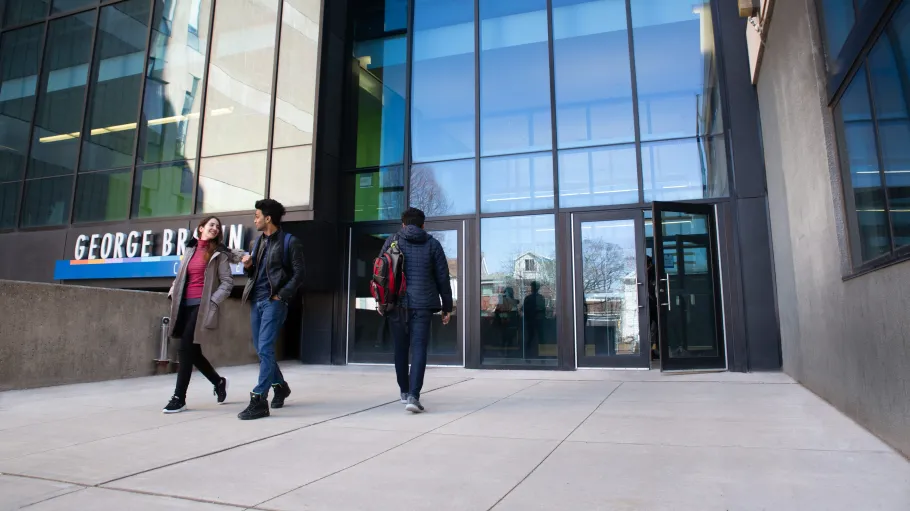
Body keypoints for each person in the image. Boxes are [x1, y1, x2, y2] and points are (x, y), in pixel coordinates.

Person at [238, 199, 305, 420]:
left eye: (257, 216)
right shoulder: (257, 242)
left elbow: (299, 274)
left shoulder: (290, 242)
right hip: (256, 300)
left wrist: (281, 295)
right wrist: (248, 267)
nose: (254, 220)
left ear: (268, 218)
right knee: (262, 350)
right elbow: (255, 274)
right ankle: (280, 386)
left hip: (273, 301)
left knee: (265, 347)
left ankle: (259, 399)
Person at [381, 207, 453, 413]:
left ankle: (404, 392)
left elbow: (380, 272)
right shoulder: (433, 244)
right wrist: (447, 307)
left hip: (396, 304)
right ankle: (414, 396)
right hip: (423, 304)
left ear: (403, 224)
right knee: (419, 348)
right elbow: (443, 277)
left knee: (400, 349)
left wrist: (381, 301)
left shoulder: (392, 241)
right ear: (423, 224)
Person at [163, 216, 237, 414]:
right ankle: (218, 382)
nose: (215, 228)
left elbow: (227, 282)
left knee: (184, 348)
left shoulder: (219, 254)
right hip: (183, 305)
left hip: (201, 306)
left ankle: (179, 398)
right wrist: (172, 292)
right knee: (193, 352)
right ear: (201, 228)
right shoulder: (190, 250)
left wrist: (212, 301)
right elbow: (180, 276)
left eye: (217, 226)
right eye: (211, 225)